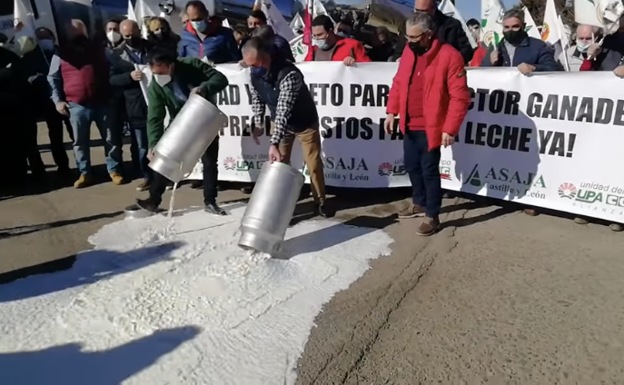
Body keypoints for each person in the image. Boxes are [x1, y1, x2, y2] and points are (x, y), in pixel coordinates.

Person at [385, 12, 471, 236]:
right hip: (409, 124)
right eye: (407, 37)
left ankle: (432, 215)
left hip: (431, 127)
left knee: (429, 171)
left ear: (429, 34)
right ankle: (419, 202)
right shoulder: (408, 51)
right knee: (412, 166)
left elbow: (460, 97)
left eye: (414, 38)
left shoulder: (450, 56)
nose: (409, 42)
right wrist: (391, 112)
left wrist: (449, 128)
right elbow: (399, 82)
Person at [243, 37, 331, 217]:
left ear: (266, 56)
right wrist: (259, 121)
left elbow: (284, 110)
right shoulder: (254, 73)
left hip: (304, 122)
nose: (255, 68)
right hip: (280, 121)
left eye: (258, 63)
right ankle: (281, 207)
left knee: (313, 164)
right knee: (279, 166)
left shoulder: (289, 74)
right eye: (251, 65)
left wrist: (273, 142)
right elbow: (257, 97)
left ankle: (320, 202)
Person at [137, 48, 229, 215]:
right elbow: (155, 117)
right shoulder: (156, 86)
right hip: (178, 125)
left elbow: (221, 79)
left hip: (205, 120)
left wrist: (204, 87)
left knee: (209, 162)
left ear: (171, 65)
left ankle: (210, 201)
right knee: (163, 159)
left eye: (161, 71)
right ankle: (153, 199)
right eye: (154, 73)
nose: (158, 76)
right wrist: (153, 144)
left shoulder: (192, 65)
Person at [48, 19, 124, 188]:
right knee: (80, 142)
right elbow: (53, 78)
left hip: (103, 102)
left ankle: (114, 170)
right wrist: (58, 100)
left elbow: (114, 67)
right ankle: (84, 173)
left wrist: (114, 94)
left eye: (80, 32)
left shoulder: (99, 50)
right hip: (76, 105)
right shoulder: (60, 54)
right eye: (74, 33)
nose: (77, 36)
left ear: (86, 33)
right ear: (68, 35)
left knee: (111, 139)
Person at [109, 19, 153, 191]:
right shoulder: (116, 54)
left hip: (156, 101)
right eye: (127, 35)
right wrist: (129, 77)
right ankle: (146, 175)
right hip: (135, 104)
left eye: (133, 34)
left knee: (160, 140)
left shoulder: (151, 47)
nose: (130, 37)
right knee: (141, 143)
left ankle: (163, 174)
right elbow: (112, 79)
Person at [21, 27, 71, 176]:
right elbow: (26, 78)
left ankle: (82, 167)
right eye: (40, 37)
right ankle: (62, 166)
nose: (45, 40)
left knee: (76, 136)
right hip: (46, 103)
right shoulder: (30, 57)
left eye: (46, 36)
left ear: (53, 38)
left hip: (68, 99)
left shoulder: (64, 52)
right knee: (55, 136)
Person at [481, 9, 558, 74]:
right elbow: (481, 72)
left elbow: (553, 68)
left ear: (523, 26)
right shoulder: (495, 49)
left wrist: (534, 68)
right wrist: (490, 62)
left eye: (515, 26)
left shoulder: (538, 46)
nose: (510, 30)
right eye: (506, 27)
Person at [305, 15, 370, 65]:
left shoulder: (352, 45)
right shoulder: (313, 50)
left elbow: (369, 67)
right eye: (314, 35)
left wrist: (356, 63)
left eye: (319, 35)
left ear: (330, 32)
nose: (316, 38)